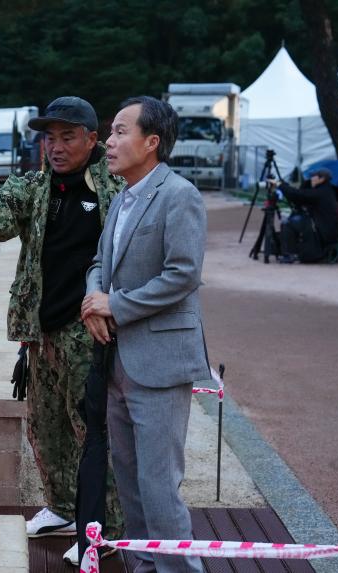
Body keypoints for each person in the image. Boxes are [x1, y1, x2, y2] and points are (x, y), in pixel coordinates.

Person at [0, 96, 125, 558]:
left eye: (67, 137)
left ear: (91, 139)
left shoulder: (114, 189)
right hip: (41, 331)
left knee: (92, 429)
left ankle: (104, 529)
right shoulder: (39, 186)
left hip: (90, 330)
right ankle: (62, 507)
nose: (56, 147)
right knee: (46, 427)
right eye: (49, 137)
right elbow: (2, 200)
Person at [82, 96, 208, 573]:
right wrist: (95, 300)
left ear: (151, 143)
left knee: (158, 486)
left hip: (159, 362)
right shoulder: (124, 198)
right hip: (118, 360)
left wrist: (114, 305)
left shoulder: (179, 195)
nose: (109, 142)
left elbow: (183, 275)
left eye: (119, 132)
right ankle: (144, 567)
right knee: (130, 483)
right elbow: (99, 264)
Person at [268, 168, 338, 263]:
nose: (311, 179)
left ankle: (289, 255)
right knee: (295, 220)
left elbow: (299, 195)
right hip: (322, 226)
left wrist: (279, 184)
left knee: (287, 223)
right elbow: (299, 195)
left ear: (322, 179)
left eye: (313, 176)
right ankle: (291, 252)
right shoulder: (326, 189)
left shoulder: (321, 191)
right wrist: (283, 185)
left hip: (321, 229)